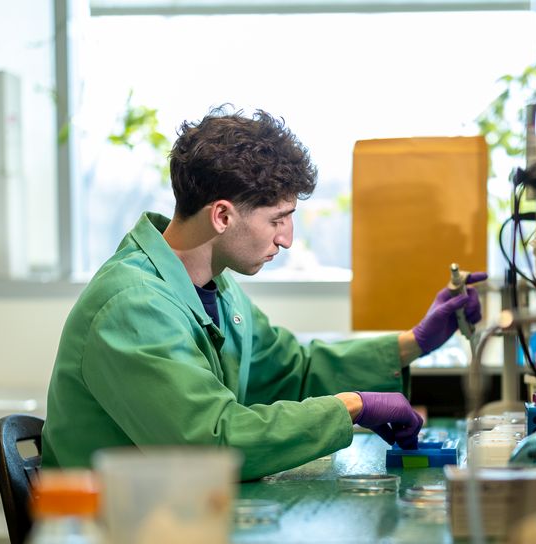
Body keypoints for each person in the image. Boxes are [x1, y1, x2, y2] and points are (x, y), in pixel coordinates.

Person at [41, 105, 485, 480]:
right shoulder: (133, 306)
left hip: (173, 517)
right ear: (222, 216)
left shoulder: (215, 286)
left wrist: (416, 342)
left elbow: (295, 370)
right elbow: (213, 440)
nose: (287, 239)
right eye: (278, 219)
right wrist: (350, 407)